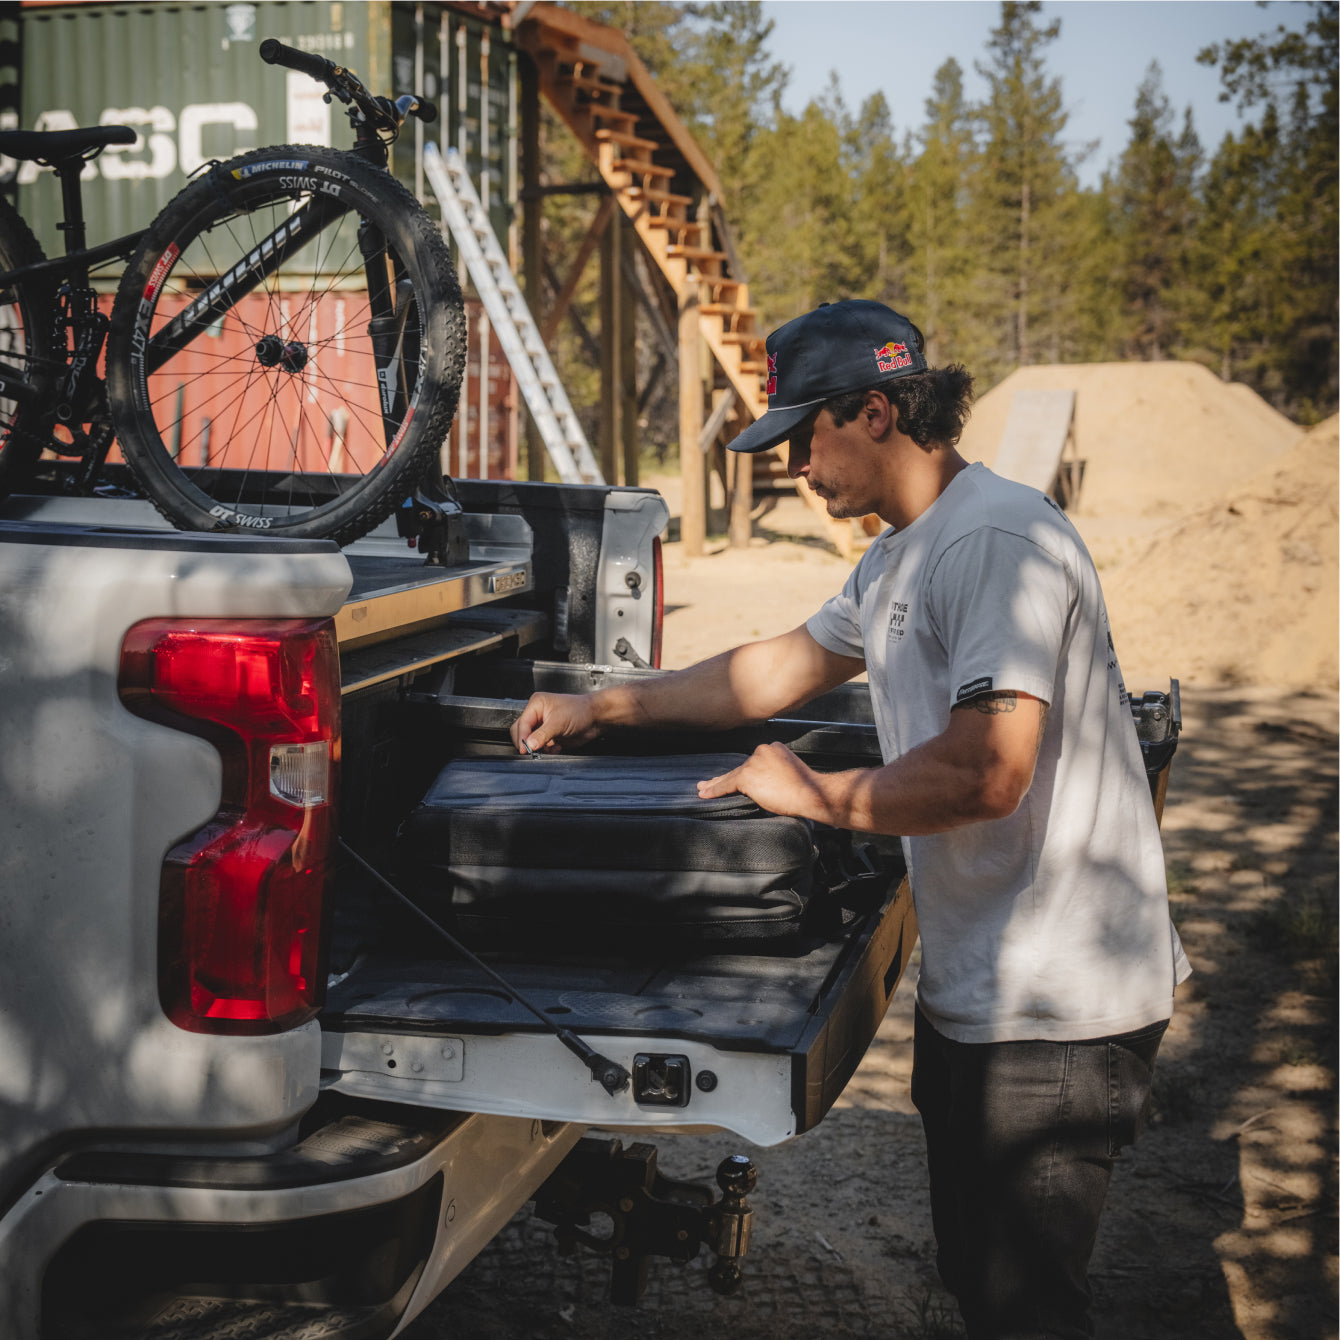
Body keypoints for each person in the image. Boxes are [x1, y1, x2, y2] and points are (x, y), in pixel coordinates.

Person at [509, 299, 1190, 1339]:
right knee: (979, 1284)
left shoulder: (999, 543)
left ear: (874, 411)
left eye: (799, 438)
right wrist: (601, 705)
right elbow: (768, 672)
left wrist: (816, 795)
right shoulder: (896, 559)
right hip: (983, 988)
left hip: (1059, 1005)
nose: (790, 468)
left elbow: (987, 771)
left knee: (1025, 1308)